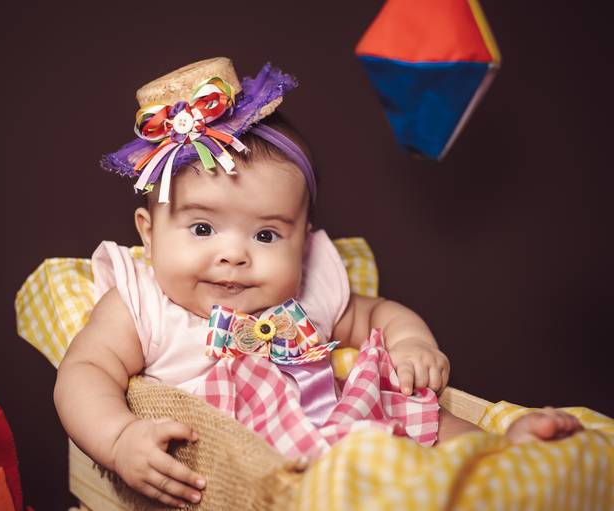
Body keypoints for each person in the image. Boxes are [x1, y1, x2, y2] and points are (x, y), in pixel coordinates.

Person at [53, 57, 582, 509]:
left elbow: (376, 313)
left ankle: (500, 459)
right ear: (148, 235)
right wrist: (118, 438)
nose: (233, 255)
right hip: (275, 478)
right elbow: (84, 372)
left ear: (302, 243)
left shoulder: (306, 293)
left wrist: (411, 343)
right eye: (202, 228)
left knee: (421, 413)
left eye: (265, 235)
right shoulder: (144, 305)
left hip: (352, 433)